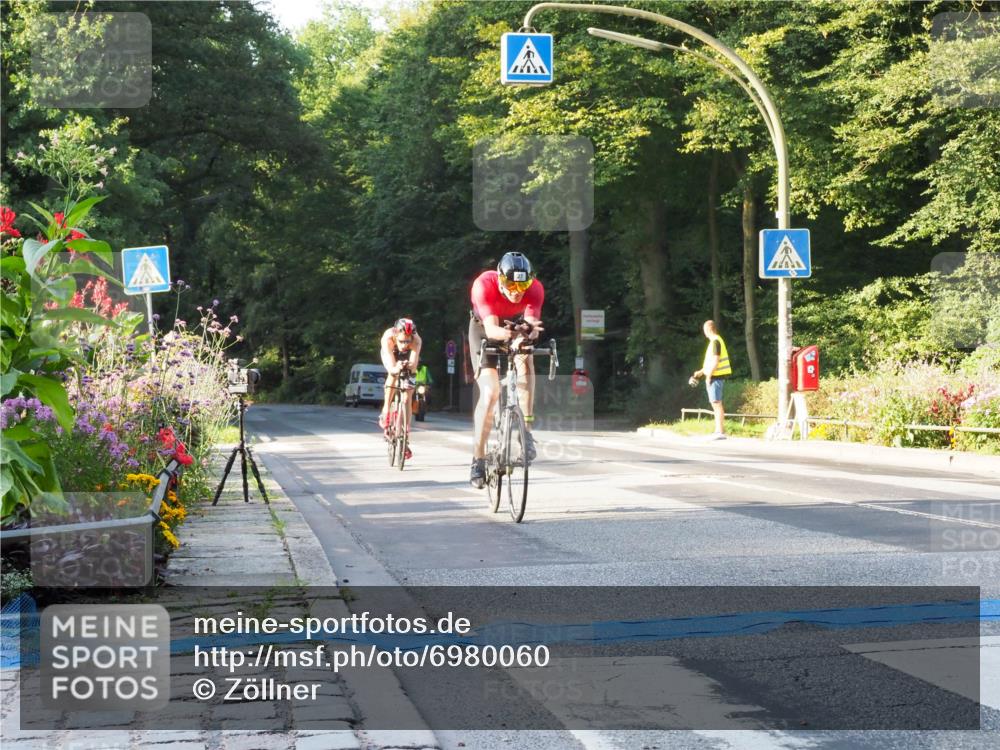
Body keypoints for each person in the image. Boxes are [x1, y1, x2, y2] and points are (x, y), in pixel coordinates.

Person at [468, 252, 545, 488]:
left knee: (526, 357)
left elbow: (532, 325)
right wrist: (511, 335)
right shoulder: (484, 284)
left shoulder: (535, 289)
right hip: (485, 328)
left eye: (522, 285)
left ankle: (526, 431)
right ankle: (478, 459)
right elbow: (492, 330)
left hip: (514, 326)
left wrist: (528, 333)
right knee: (490, 393)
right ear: (501, 280)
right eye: (511, 285)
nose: (517, 291)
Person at [379, 318, 422, 459]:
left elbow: (413, 366)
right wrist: (397, 368)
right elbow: (392, 367)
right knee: (393, 375)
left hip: (407, 358)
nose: (404, 345)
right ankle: (386, 410)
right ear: (396, 335)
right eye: (402, 341)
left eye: (407, 341)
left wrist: (408, 366)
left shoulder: (416, 341)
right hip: (391, 354)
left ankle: (405, 435)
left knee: (407, 396)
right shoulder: (388, 338)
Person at [690, 319, 731, 440]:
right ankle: (718, 430)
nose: (704, 333)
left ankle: (720, 432)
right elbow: (710, 362)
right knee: (715, 403)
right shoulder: (715, 341)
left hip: (715, 377)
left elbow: (716, 361)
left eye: (704, 330)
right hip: (714, 376)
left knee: (717, 404)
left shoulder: (716, 341)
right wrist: (701, 372)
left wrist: (708, 376)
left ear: (708, 329)